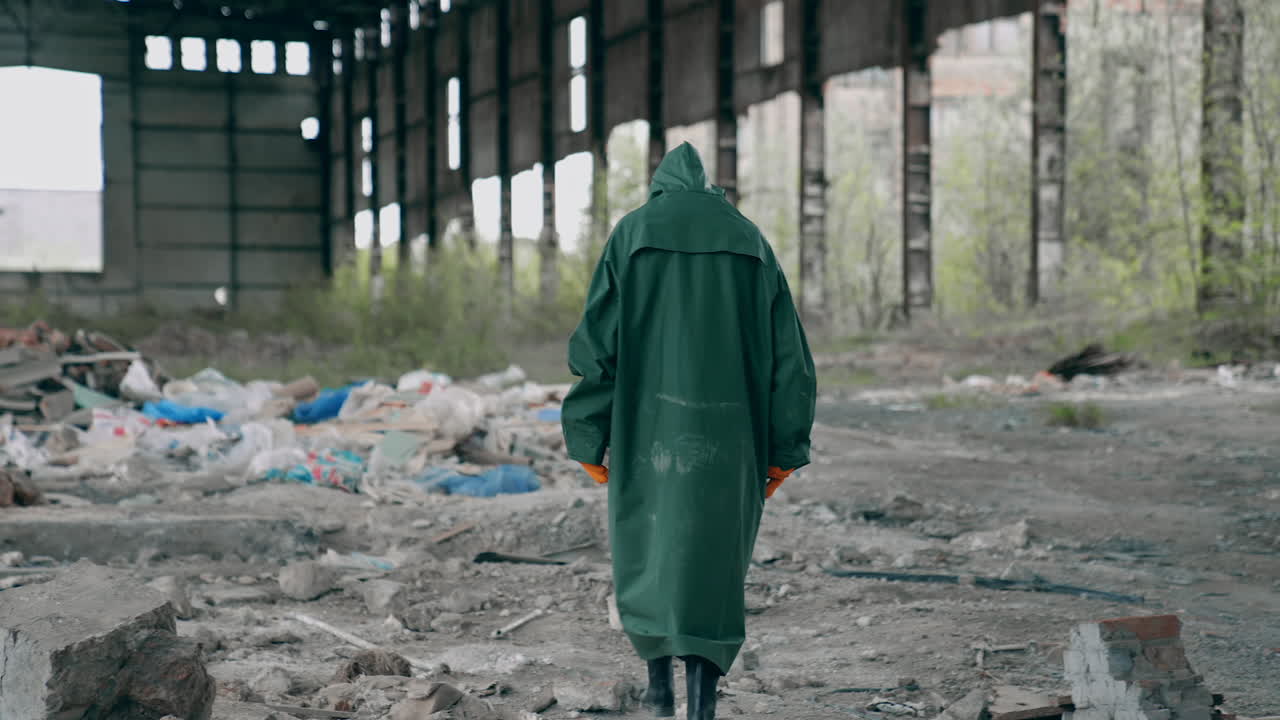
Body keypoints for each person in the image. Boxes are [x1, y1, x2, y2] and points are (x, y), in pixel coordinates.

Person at [560, 142, 816, 720]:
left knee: (649, 551)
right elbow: (789, 361)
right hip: (733, 439)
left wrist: (587, 434)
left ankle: (657, 687)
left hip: (644, 434)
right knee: (712, 563)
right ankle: (702, 699)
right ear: (710, 190)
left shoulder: (632, 234)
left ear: (659, 187)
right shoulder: (749, 240)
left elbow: (597, 350)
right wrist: (784, 448)